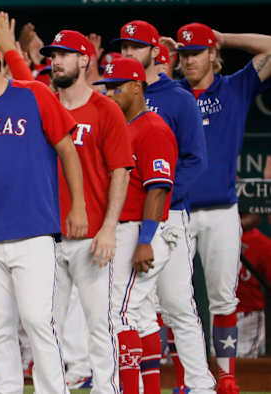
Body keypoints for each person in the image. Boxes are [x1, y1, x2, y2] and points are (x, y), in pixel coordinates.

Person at [0, 30, 87, 393]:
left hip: (35, 230)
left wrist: (79, 206)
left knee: (39, 320)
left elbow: (68, 150)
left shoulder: (33, 94)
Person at [115, 19, 215, 393]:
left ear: (156, 51)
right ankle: (143, 384)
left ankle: (201, 384)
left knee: (176, 304)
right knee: (136, 307)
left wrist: (159, 202)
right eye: (124, 47)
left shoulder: (178, 98)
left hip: (168, 212)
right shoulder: (117, 96)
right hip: (130, 219)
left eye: (135, 47)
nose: (128, 53)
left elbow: (195, 160)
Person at [172, 22, 271, 393]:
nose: (190, 61)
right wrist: (160, 59)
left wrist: (226, 37)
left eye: (197, 52)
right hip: (176, 210)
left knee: (222, 296)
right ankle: (187, 380)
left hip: (221, 210)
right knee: (176, 300)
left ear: (213, 54)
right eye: (184, 54)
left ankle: (227, 377)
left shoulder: (235, 87)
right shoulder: (172, 92)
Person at [42, 29, 133, 393]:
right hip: (47, 235)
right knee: (45, 324)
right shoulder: (43, 107)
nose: (56, 60)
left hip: (92, 234)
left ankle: (106, 389)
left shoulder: (105, 109)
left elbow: (121, 171)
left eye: (64, 54)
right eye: (53, 54)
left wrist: (110, 228)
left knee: (100, 321)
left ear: (85, 60)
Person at [93, 57, 178, 394]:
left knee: (118, 313)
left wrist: (145, 240)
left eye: (116, 86)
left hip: (144, 231)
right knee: (140, 316)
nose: (110, 93)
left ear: (136, 86)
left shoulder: (152, 128)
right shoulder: (120, 127)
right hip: (129, 230)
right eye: (107, 86)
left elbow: (157, 189)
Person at [236, 213, 270, 358]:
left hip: (249, 317)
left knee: (243, 365)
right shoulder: (211, 237)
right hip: (216, 315)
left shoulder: (262, 243)